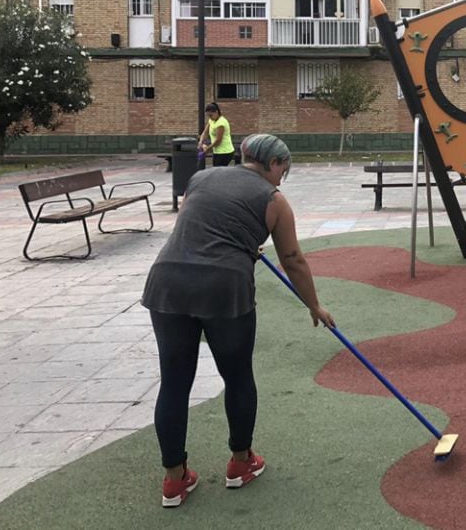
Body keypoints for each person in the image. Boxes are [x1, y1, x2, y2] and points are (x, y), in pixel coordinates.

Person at [141, 133, 335, 508]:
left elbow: (200, 225)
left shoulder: (201, 178)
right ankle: (241, 463)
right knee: (238, 375)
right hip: (224, 289)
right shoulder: (274, 200)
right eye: (284, 170)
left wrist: (244, 240)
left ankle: (174, 480)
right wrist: (314, 305)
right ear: (273, 163)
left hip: (168, 284)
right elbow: (292, 257)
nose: (282, 178)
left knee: (175, 383)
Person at [198, 102, 235, 167]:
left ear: (216, 112)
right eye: (208, 116)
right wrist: (201, 142)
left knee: (218, 172)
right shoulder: (211, 120)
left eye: (211, 115)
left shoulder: (221, 123)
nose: (210, 117)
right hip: (217, 151)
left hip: (225, 152)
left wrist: (208, 149)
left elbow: (218, 140)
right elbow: (205, 132)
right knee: (216, 171)